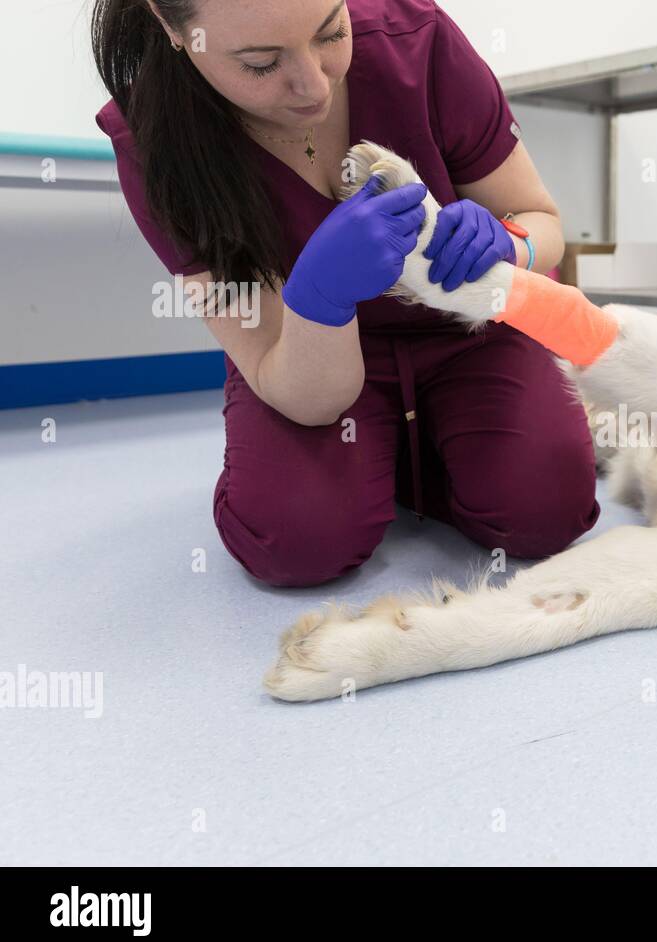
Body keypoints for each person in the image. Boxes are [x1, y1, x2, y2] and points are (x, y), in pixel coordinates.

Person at [92, 0, 600, 586]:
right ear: (173, 27)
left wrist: (512, 245)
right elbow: (303, 392)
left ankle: (415, 451)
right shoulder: (153, 138)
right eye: (260, 63)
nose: (313, 86)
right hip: (308, 353)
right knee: (296, 541)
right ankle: (405, 454)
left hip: (471, 330)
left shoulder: (419, 41)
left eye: (332, 32)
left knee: (544, 512)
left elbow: (542, 222)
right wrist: (319, 297)